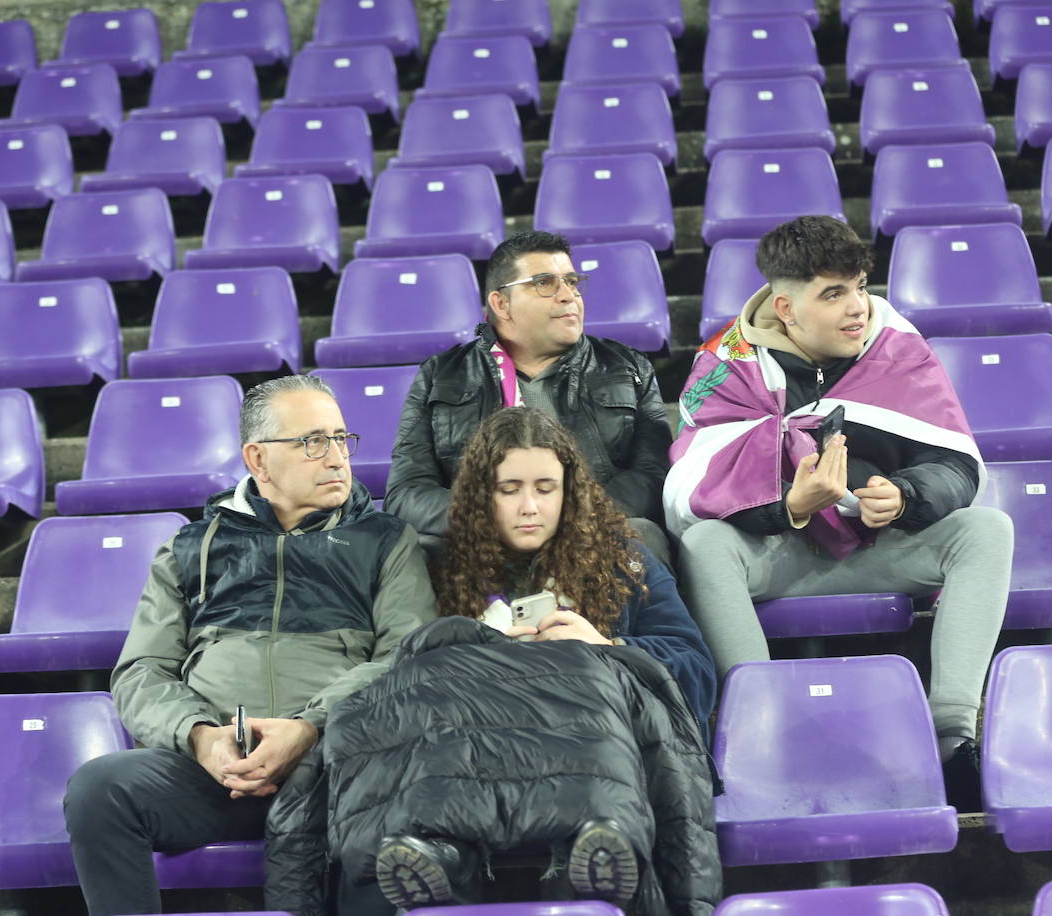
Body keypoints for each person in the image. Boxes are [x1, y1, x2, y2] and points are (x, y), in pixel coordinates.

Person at [265, 408, 720, 916]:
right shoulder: (438, 568)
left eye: (546, 488)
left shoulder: (625, 560)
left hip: (586, 756)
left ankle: (582, 857)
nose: (530, 507)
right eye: (510, 489)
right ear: (483, 495)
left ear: (570, 491)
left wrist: (607, 648)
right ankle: (442, 856)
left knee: (588, 672)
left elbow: (695, 674)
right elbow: (402, 680)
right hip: (470, 763)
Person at [664, 215, 1013, 811]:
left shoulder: (896, 343)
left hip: (880, 546)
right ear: (786, 307)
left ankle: (953, 737)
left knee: (987, 529)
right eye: (833, 294)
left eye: (859, 286)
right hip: (781, 552)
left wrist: (906, 495)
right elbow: (691, 488)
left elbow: (955, 464)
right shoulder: (724, 365)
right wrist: (788, 507)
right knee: (704, 547)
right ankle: (759, 726)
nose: (857, 308)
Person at [64, 375, 438, 916]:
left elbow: (406, 656)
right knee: (101, 788)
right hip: (220, 772)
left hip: (338, 768)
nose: (336, 457)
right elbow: (140, 671)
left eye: (341, 438)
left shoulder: (385, 540)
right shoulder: (192, 547)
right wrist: (199, 738)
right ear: (258, 460)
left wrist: (310, 727)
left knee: (399, 794)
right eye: (313, 441)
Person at [384, 230, 675, 564]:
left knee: (643, 535)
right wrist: (496, 517)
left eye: (572, 281)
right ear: (501, 303)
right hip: (484, 547)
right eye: (545, 283)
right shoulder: (441, 375)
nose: (569, 296)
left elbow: (654, 476)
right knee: (414, 550)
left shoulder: (627, 368)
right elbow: (406, 493)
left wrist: (564, 514)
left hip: (593, 535)